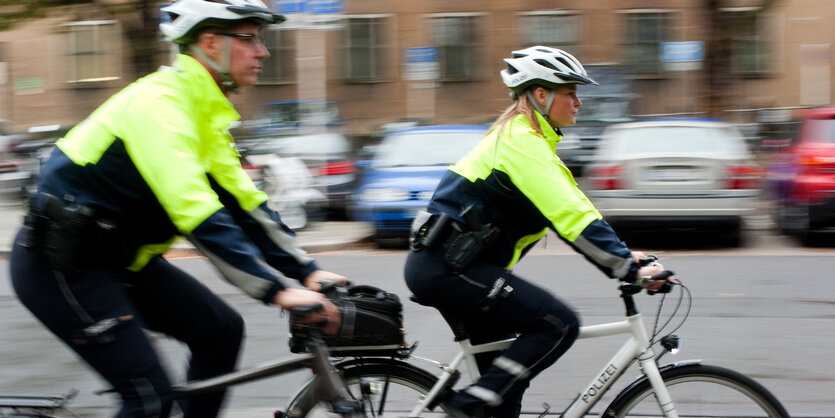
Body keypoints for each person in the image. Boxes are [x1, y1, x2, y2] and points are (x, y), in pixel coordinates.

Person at [9, 1, 344, 417]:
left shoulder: (205, 115)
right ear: (209, 42)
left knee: (220, 330)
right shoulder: (159, 105)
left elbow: (246, 207)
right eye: (250, 38)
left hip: (118, 262)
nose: (263, 51)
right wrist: (275, 290)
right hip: (62, 268)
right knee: (149, 397)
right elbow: (198, 213)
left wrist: (305, 270)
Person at [404, 46, 674, 418]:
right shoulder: (521, 143)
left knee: (504, 395)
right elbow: (571, 217)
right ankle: (465, 405)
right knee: (558, 324)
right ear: (541, 94)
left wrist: (626, 257)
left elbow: (577, 206)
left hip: (458, 268)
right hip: (449, 271)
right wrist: (627, 269)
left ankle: (476, 405)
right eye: (571, 92)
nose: (578, 102)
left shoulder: (531, 142)